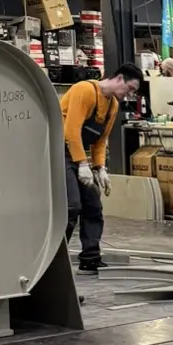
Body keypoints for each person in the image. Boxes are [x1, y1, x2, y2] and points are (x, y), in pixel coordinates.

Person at [60, 63, 142, 273]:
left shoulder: (112, 105)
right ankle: (55, 261)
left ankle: (90, 258)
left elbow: (100, 140)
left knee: (93, 206)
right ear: (119, 79)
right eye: (130, 89)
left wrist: (100, 168)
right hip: (58, 153)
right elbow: (71, 131)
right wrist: (82, 164)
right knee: (72, 206)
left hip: (79, 156)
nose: (129, 95)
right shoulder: (85, 90)